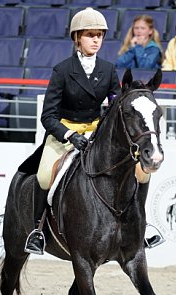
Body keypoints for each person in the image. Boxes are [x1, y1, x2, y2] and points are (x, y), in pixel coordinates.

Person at [24, 7, 120, 255]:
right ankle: (37, 231)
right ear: (77, 38)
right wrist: (69, 135)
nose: (96, 39)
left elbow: (116, 102)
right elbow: (48, 116)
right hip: (66, 134)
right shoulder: (63, 70)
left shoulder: (108, 70)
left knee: (136, 170)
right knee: (45, 175)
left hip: (96, 133)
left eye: (99, 35)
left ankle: (138, 226)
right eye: (90, 34)